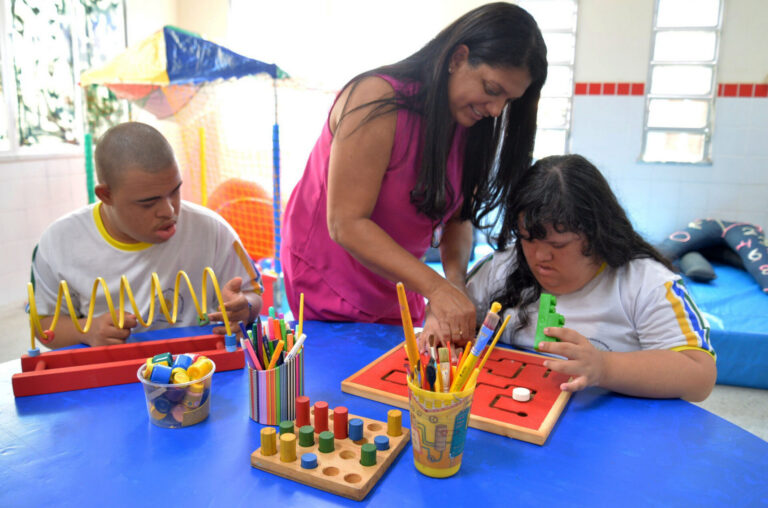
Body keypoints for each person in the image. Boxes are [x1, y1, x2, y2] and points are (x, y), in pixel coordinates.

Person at [282, 3, 547, 345]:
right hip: (330, 280)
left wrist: (453, 283)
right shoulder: (377, 99)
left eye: (508, 101)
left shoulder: (469, 120)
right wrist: (436, 288)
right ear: (457, 58)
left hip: (401, 278)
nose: (496, 110)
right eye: (492, 90)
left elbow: (459, 217)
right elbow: (345, 223)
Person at [463, 154, 717, 402]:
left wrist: (604, 368)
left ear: (596, 234)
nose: (540, 256)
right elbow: (452, 320)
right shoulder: (501, 267)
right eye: (527, 239)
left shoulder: (646, 283)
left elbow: (700, 376)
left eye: (558, 244)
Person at [30, 122, 263, 349]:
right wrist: (85, 331)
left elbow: (252, 295)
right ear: (106, 195)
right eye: (148, 203)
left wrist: (245, 308)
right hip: (108, 371)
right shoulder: (58, 243)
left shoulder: (212, 230)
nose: (169, 211)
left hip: (196, 367)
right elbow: (43, 326)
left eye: (175, 191)